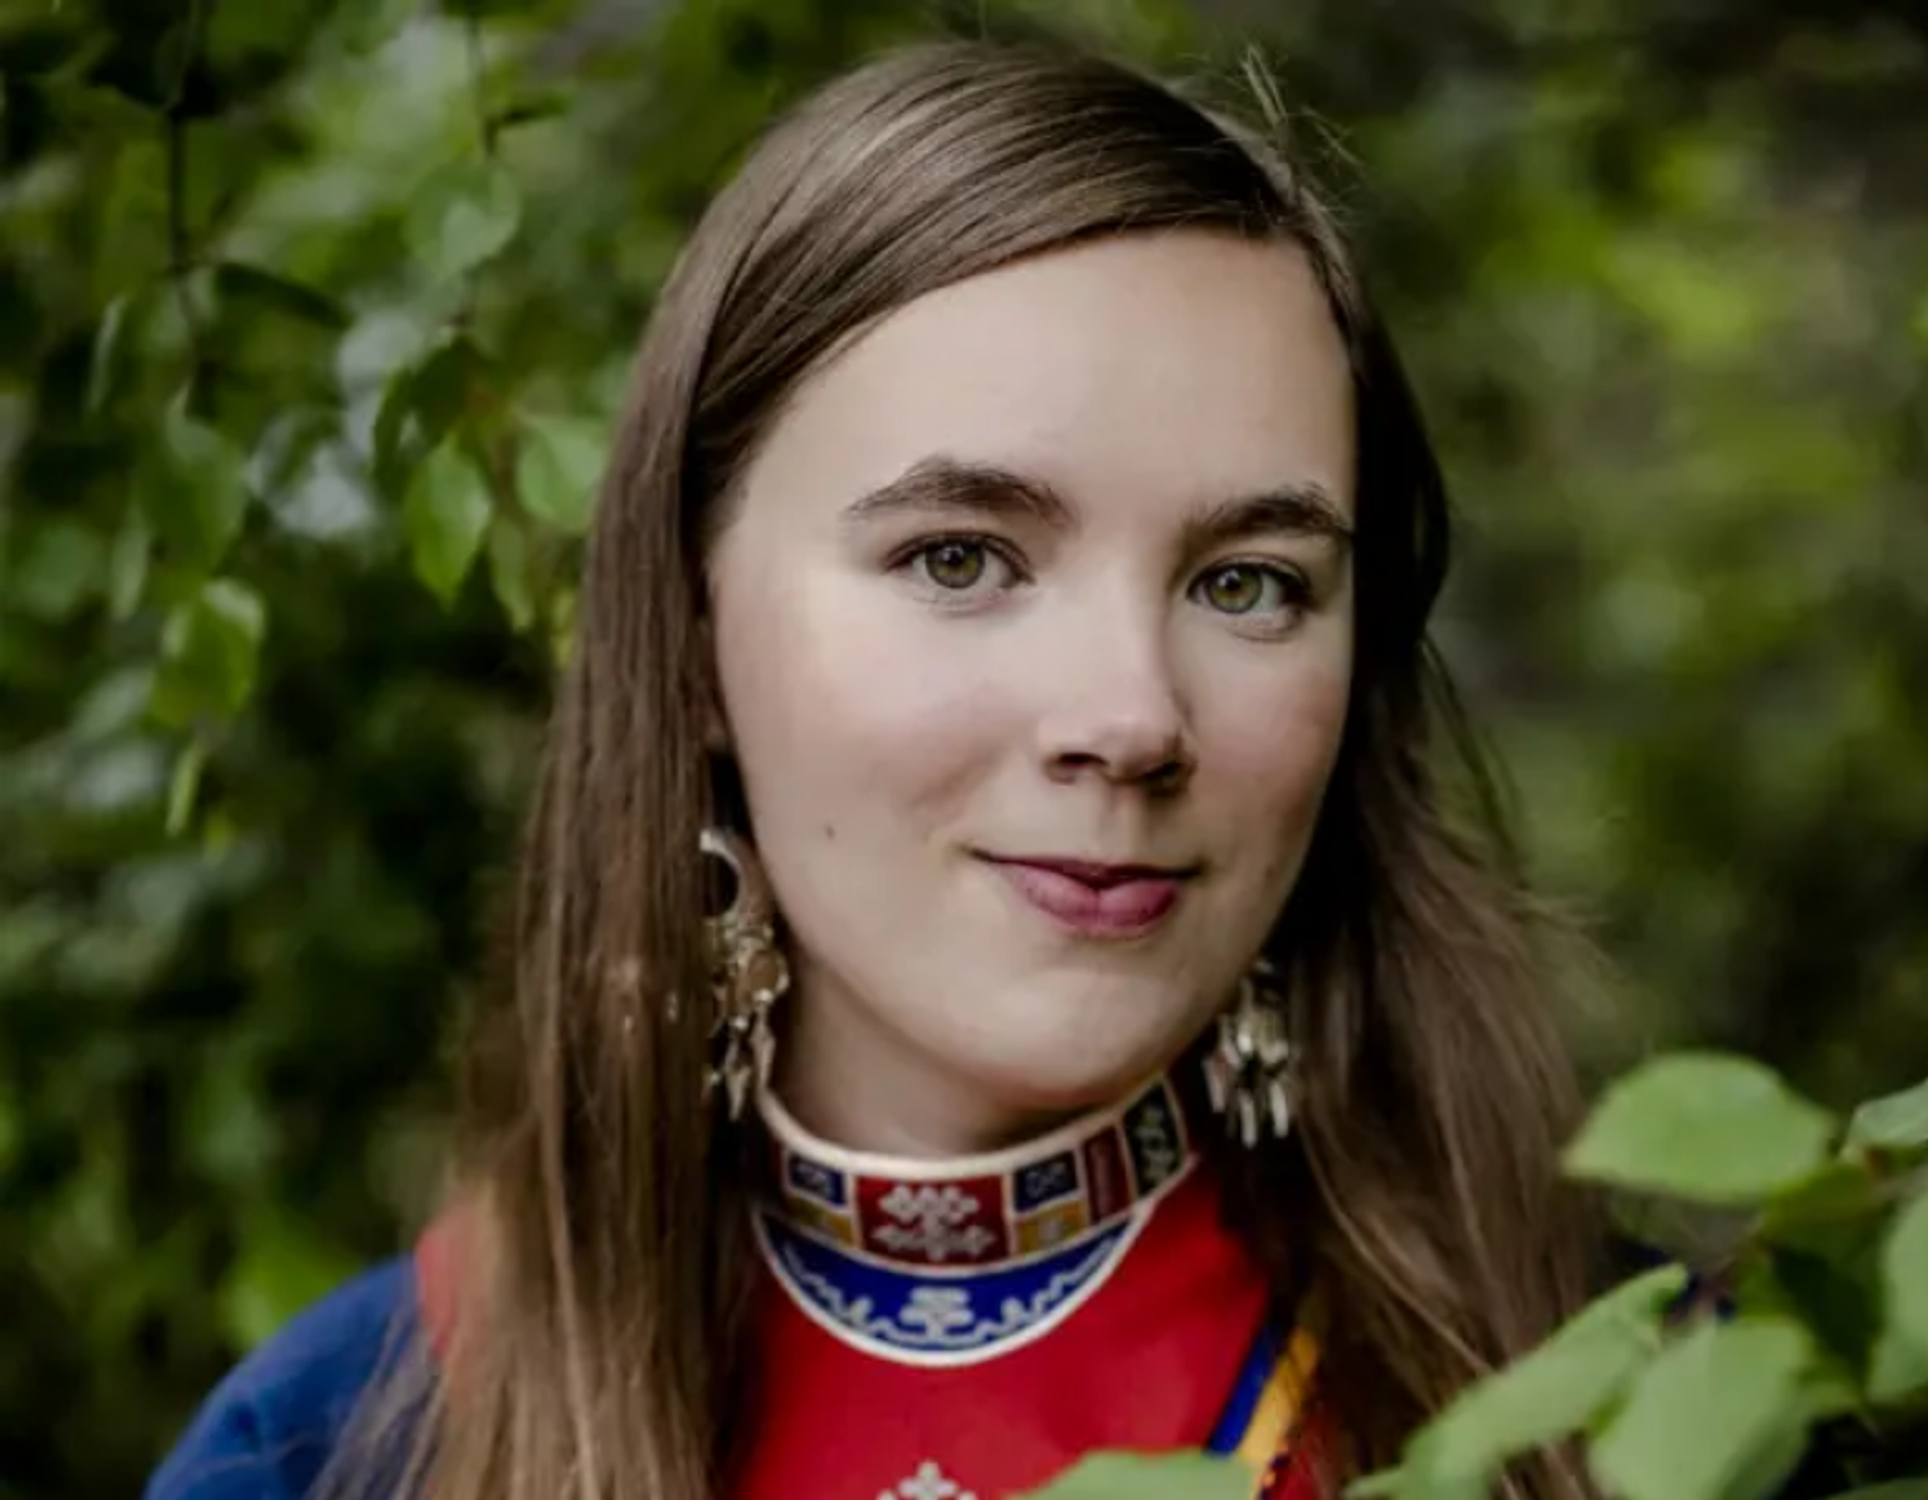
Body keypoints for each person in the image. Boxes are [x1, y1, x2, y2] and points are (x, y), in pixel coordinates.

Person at [145, 37, 1613, 1500]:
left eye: (1249, 583)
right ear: (692, 633)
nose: (1131, 716)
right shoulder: (343, 1448)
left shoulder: (1620, 1401)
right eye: (959, 559)